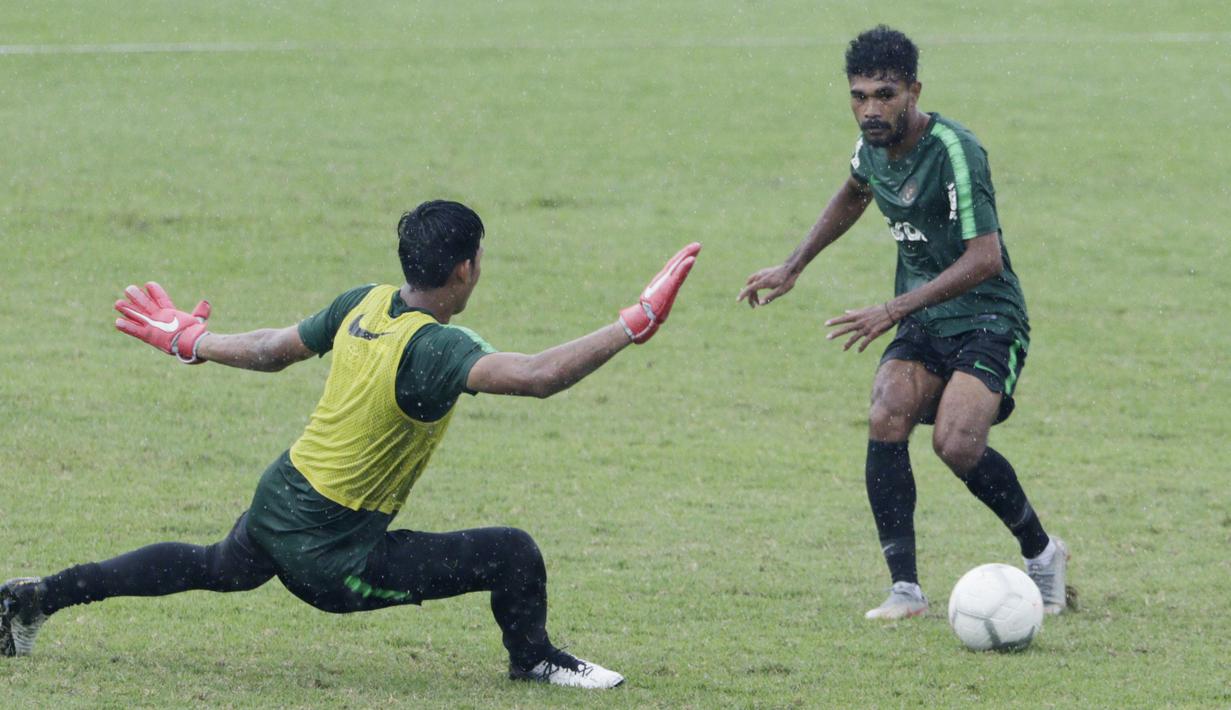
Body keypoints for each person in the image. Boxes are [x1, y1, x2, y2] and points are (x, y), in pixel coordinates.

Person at [1, 200, 700, 689]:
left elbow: (274, 349)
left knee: (213, 564)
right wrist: (634, 323)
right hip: (330, 556)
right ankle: (535, 661)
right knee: (510, 553)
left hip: (281, 499)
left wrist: (192, 341)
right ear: (463, 270)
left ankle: (34, 598)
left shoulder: (364, 301)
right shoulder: (433, 349)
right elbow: (537, 377)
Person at [737, 26, 1070, 620]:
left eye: (884, 95)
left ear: (913, 91)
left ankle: (1042, 554)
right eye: (859, 96)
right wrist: (793, 266)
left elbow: (985, 257)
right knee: (886, 408)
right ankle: (905, 591)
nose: (870, 109)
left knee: (956, 443)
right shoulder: (870, 148)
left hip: (989, 316)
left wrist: (891, 310)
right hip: (925, 316)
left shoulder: (955, 151)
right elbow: (853, 192)